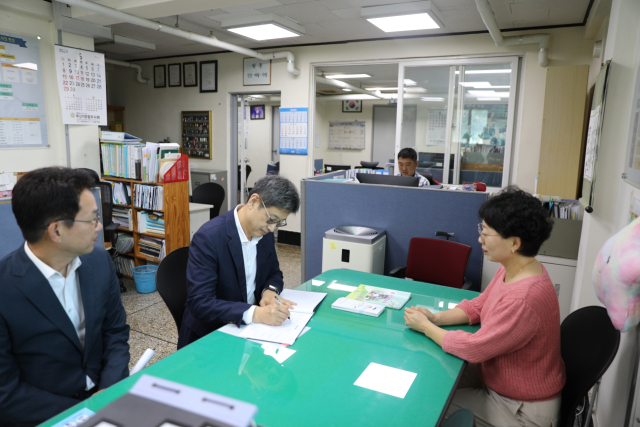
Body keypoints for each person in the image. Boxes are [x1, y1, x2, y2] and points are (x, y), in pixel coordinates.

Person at [404, 187, 565, 427]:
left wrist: (427, 327)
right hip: (497, 380)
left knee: (427, 402)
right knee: (430, 379)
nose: (480, 238)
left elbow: (474, 349)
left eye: (486, 233)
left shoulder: (523, 298)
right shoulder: (515, 266)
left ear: (514, 242)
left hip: (520, 409)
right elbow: (478, 306)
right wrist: (435, 318)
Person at [0, 167, 130, 426]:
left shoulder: (99, 261)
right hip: (45, 415)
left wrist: (110, 389)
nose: (99, 226)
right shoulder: (5, 287)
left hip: (103, 398)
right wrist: (86, 410)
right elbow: (5, 391)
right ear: (56, 231)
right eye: (92, 219)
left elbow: (115, 331)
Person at [178, 175, 301, 349]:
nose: (272, 228)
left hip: (251, 330)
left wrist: (269, 291)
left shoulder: (263, 232)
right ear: (253, 201)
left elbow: (274, 272)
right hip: (212, 335)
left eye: (279, 223)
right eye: (271, 219)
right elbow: (200, 303)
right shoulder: (209, 238)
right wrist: (255, 313)